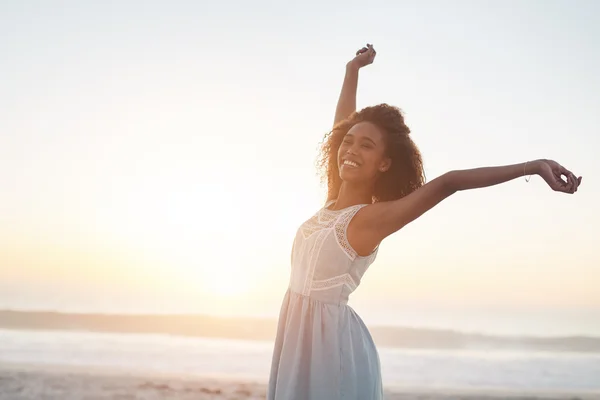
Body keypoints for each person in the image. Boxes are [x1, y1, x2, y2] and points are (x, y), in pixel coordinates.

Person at [267, 44, 582, 400]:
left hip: (329, 351)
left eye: (367, 146)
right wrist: (351, 70)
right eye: (348, 142)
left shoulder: (368, 221)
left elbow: (449, 182)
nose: (351, 150)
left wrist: (534, 166)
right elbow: (341, 127)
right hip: (298, 341)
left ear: (384, 164)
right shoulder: (332, 205)